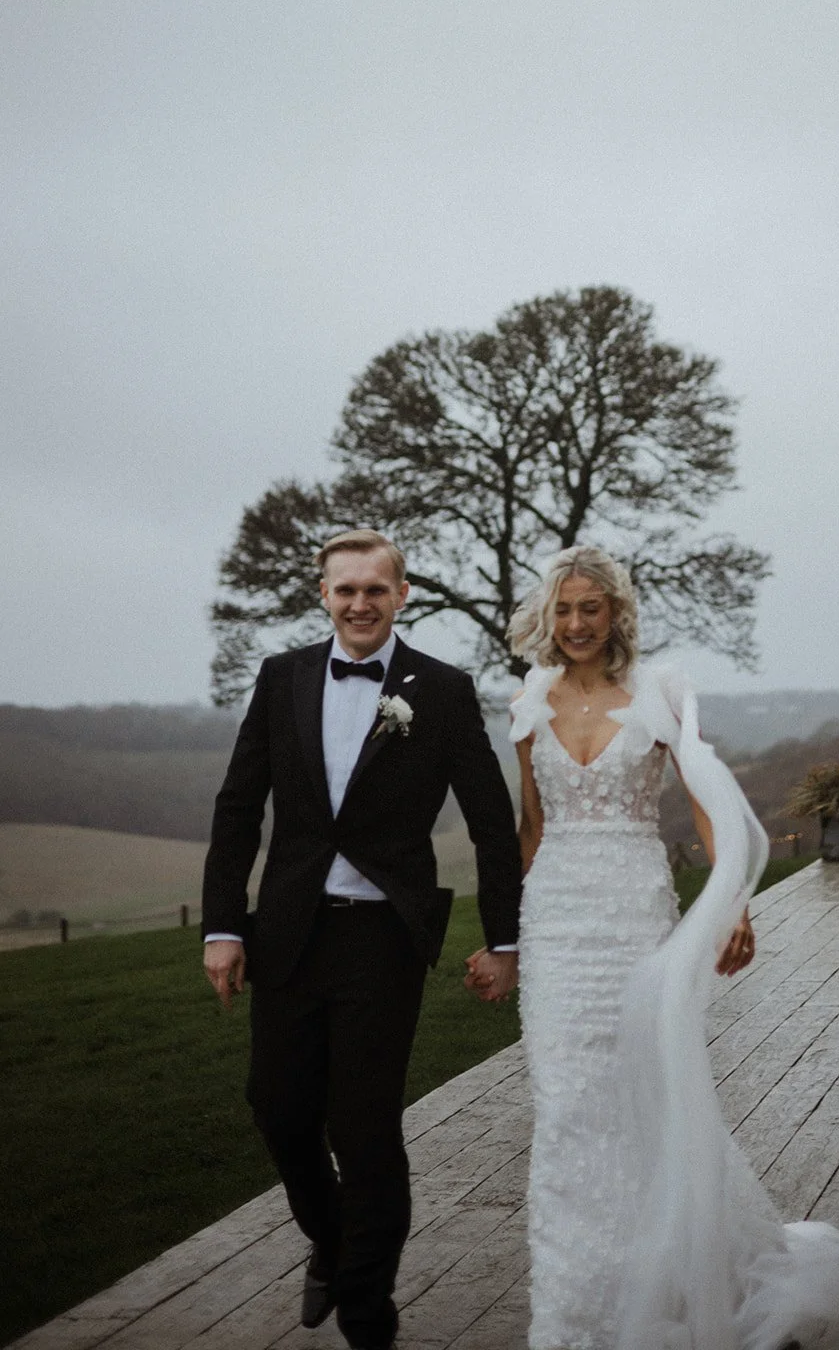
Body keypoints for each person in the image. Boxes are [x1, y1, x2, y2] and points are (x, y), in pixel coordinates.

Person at [467, 546, 839, 1350]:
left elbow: (708, 804)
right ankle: (575, 1315)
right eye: (563, 610)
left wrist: (730, 902)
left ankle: (683, 1290)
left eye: (590, 608)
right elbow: (530, 827)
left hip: (635, 917)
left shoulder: (661, 693)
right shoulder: (528, 702)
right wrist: (505, 939)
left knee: (647, 1098)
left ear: (616, 612)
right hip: (555, 926)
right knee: (565, 1110)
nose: (575, 623)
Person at [202, 530, 521, 1350]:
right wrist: (223, 927)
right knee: (277, 1108)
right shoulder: (282, 678)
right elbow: (238, 808)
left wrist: (505, 939)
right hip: (289, 932)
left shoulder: (442, 690)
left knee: (364, 1127)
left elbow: (492, 822)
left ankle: (366, 1314)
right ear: (323, 595)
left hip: (383, 935)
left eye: (375, 589)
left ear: (401, 595)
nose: (359, 603)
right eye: (344, 590)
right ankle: (333, 1237)